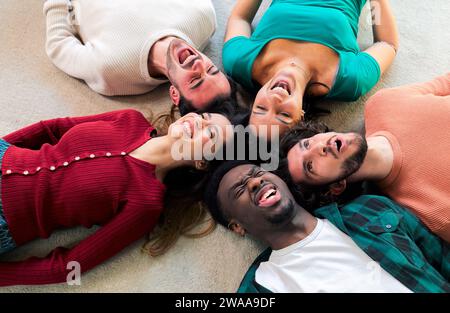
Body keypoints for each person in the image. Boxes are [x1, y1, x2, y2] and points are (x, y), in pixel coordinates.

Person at [0, 107, 237, 286]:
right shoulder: (130, 119)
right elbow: (52, 128)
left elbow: (70, 266)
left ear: (201, 162)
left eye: (211, 133)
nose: (199, 122)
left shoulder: (146, 203)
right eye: (204, 116)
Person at [204, 162, 450, 293]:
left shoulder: (370, 209)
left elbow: (442, 257)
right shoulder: (262, 286)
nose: (256, 181)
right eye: (240, 189)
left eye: (257, 173)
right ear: (237, 226)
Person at [278, 73, 450, 242]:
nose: (318, 147)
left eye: (306, 144)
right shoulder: (428, 211)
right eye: (310, 166)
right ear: (335, 187)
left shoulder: (382, 104)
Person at [223, 0, 399, 135]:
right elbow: (387, 44)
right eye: (283, 115)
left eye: (261, 108)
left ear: (253, 102)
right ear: (301, 116)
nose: (275, 99)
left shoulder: (239, 60)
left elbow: (240, 18)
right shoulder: (349, 79)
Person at [44, 0, 235, 113]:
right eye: (211, 69)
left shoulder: (112, 72)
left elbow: (58, 44)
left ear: (174, 94)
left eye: (195, 81)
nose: (198, 64)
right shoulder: (203, 18)